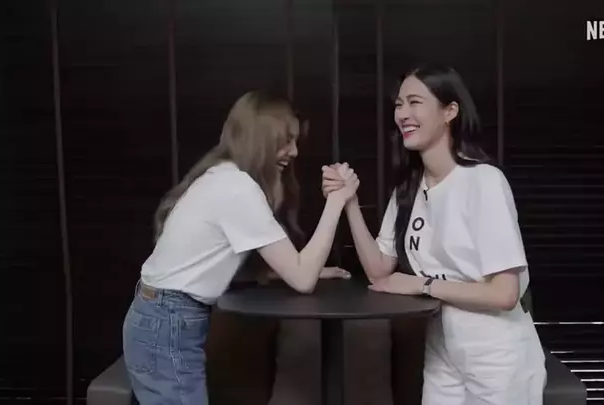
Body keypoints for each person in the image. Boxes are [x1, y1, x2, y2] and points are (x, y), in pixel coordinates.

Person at [322, 64, 547, 405]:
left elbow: (504, 294)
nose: (403, 114)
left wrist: (421, 285)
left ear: (449, 111)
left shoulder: (483, 181)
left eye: (415, 102)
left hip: (497, 353)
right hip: (442, 345)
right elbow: (380, 272)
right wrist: (349, 202)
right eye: (399, 105)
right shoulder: (408, 190)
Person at [122, 90, 358, 405]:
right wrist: (337, 200)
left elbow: (225, 263)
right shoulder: (238, 189)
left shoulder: (223, 176)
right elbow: (303, 279)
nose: (295, 151)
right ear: (261, 139)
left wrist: (305, 269)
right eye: (286, 141)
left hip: (161, 318)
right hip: (168, 323)